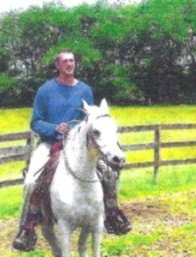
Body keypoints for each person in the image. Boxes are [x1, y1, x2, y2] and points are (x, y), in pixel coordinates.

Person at [12, 50, 131, 251]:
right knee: (32, 181)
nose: (70, 64)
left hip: (79, 146)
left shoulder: (85, 90)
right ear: (58, 66)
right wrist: (53, 128)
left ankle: (112, 214)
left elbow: (92, 119)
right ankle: (27, 229)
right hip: (51, 143)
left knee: (109, 173)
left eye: (72, 61)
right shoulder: (45, 90)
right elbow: (35, 122)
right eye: (65, 61)